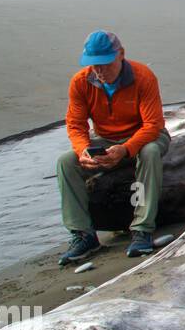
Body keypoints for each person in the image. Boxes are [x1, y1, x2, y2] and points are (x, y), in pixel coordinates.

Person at [56, 29, 170, 264]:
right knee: (65, 162)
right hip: (106, 140)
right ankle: (83, 235)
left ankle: (142, 229)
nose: (99, 71)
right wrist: (83, 150)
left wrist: (126, 149)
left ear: (121, 55)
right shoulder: (80, 82)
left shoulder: (143, 76)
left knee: (148, 153)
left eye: (105, 64)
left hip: (145, 136)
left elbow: (153, 124)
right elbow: (75, 125)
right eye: (94, 65)